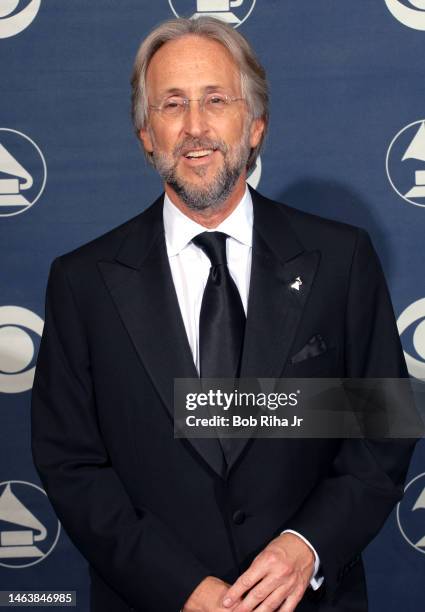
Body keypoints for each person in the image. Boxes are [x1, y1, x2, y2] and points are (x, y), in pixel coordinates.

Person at [31, 17, 416, 612]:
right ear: (145, 134)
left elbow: (381, 431)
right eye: (172, 105)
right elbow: (72, 464)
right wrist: (177, 586)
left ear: (255, 124)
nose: (195, 127)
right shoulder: (83, 282)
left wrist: (306, 546)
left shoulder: (339, 260)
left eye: (216, 100)